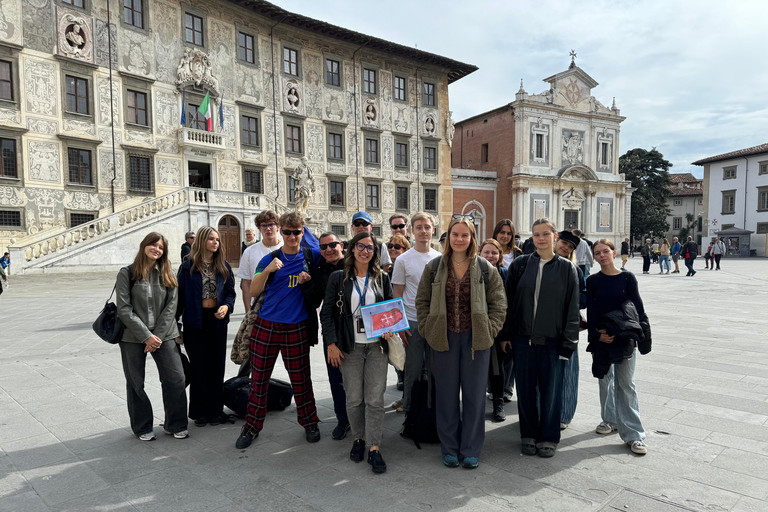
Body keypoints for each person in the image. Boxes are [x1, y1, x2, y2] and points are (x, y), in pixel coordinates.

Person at [415, 217, 506, 469]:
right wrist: (427, 328)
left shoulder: (486, 268)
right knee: (446, 395)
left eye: (465, 235)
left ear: (472, 238)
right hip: (442, 338)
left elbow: (499, 304)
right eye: (455, 234)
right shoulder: (434, 267)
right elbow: (421, 301)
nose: (459, 239)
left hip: (476, 340)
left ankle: (471, 448)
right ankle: (450, 448)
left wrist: (490, 329)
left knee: (475, 396)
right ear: (449, 236)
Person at [236, 212, 323, 449]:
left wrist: (309, 283)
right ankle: (251, 426)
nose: (292, 236)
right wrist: (267, 271)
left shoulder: (311, 256)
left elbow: (324, 281)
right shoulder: (269, 259)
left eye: (297, 232)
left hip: (296, 326)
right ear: (281, 232)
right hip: (267, 325)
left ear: (302, 233)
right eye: (287, 232)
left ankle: (310, 422)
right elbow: (253, 290)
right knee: (259, 380)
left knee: (301, 379)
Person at [503, 218, 579, 458]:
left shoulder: (567, 269)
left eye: (546, 234)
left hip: (552, 340)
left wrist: (569, 343)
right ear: (531, 238)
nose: (541, 238)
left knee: (551, 391)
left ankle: (548, 436)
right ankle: (528, 434)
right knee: (525, 390)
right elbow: (508, 302)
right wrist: (506, 334)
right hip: (522, 339)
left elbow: (571, 308)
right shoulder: (521, 265)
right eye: (536, 234)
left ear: (555, 237)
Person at [321, 232, 395, 474]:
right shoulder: (338, 277)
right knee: (354, 398)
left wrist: (388, 327)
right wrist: (331, 343)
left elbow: (391, 310)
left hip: (377, 347)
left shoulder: (382, 278)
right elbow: (327, 313)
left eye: (370, 248)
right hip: (349, 347)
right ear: (352, 249)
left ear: (375, 252)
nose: (365, 251)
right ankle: (358, 439)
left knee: (375, 399)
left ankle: (374, 447)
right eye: (361, 246)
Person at [116, 232, 188, 441]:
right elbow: (124, 308)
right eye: (153, 245)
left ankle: (175, 423)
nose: (157, 249)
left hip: (164, 334)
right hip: (132, 336)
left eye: (161, 247)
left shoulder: (167, 273)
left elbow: (171, 307)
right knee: (135, 381)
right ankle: (142, 426)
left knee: (176, 378)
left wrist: (155, 336)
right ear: (144, 245)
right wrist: (145, 336)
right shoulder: (127, 273)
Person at [587, 239, 650, 455]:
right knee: (605, 381)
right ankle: (610, 419)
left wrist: (639, 334)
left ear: (614, 253)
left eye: (606, 251)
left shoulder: (627, 277)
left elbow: (637, 308)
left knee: (626, 384)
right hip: (603, 338)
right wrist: (597, 335)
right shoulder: (593, 280)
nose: (602, 255)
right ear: (594, 257)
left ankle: (634, 434)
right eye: (598, 253)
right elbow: (592, 311)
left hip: (624, 337)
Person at [177, 226, 237, 427]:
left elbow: (230, 293)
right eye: (211, 239)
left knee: (216, 366)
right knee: (198, 367)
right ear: (202, 240)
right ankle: (199, 412)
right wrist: (175, 327)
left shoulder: (223, 266)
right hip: (195, 320)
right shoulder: (188, 266)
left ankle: (216, 411)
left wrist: (226, 307)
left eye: (217, 240)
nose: (215, 243)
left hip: (217, 320)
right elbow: (179, 298)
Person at [391, 212, 441, 414]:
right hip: (411, 321)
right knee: (411, 369)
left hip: (435, 322)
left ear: (433, 230)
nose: (423, 231)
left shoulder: (440, 258)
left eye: (427, 227)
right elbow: (397, 295)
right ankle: (410, 408)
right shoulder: (403, 260)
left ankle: (431, 407)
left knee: (435, 368)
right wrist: (400, 326)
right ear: (412, 230)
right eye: (419, 227)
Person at [315, 232, 350, 440]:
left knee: (359, 379)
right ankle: (343, 419)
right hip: (332, 331)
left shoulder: (354, 265)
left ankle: (360, 417)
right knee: (336, 379)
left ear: (342, 245)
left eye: (332, 245)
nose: (328, 249)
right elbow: (318, 306)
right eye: (323, 247)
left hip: (356, 331)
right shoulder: (318, 270)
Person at [553, 231, 587, 430]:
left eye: (570, 247)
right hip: (544, 327)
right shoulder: (542, 264)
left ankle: (564, 413)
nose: (565, 248)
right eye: (563, 243)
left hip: (567, 327)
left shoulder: (575, 270)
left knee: (568, 371)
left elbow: (583, 298)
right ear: (556, 241)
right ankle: (543, 410)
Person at [478, 239, 510, 422]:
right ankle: (475, 403)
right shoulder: (473, 272)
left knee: (496, 367)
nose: (490, 256)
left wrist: (505, 334)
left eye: (494, 253)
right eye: (486, 252)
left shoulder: (504, 273)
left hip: (498, 329)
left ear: (500, 256)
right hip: (476, 328)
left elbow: (508, 305)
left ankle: (498, 401)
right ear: (479, 253)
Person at [237, 211, 283, 312]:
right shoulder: (249, 251)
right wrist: (248, 310)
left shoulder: (286, 248)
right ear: (259, 228)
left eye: (271, 224)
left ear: (278, 227)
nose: (268, 228)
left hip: (283, 304)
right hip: (259, 305)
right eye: (264, 226)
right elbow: (246, 282)